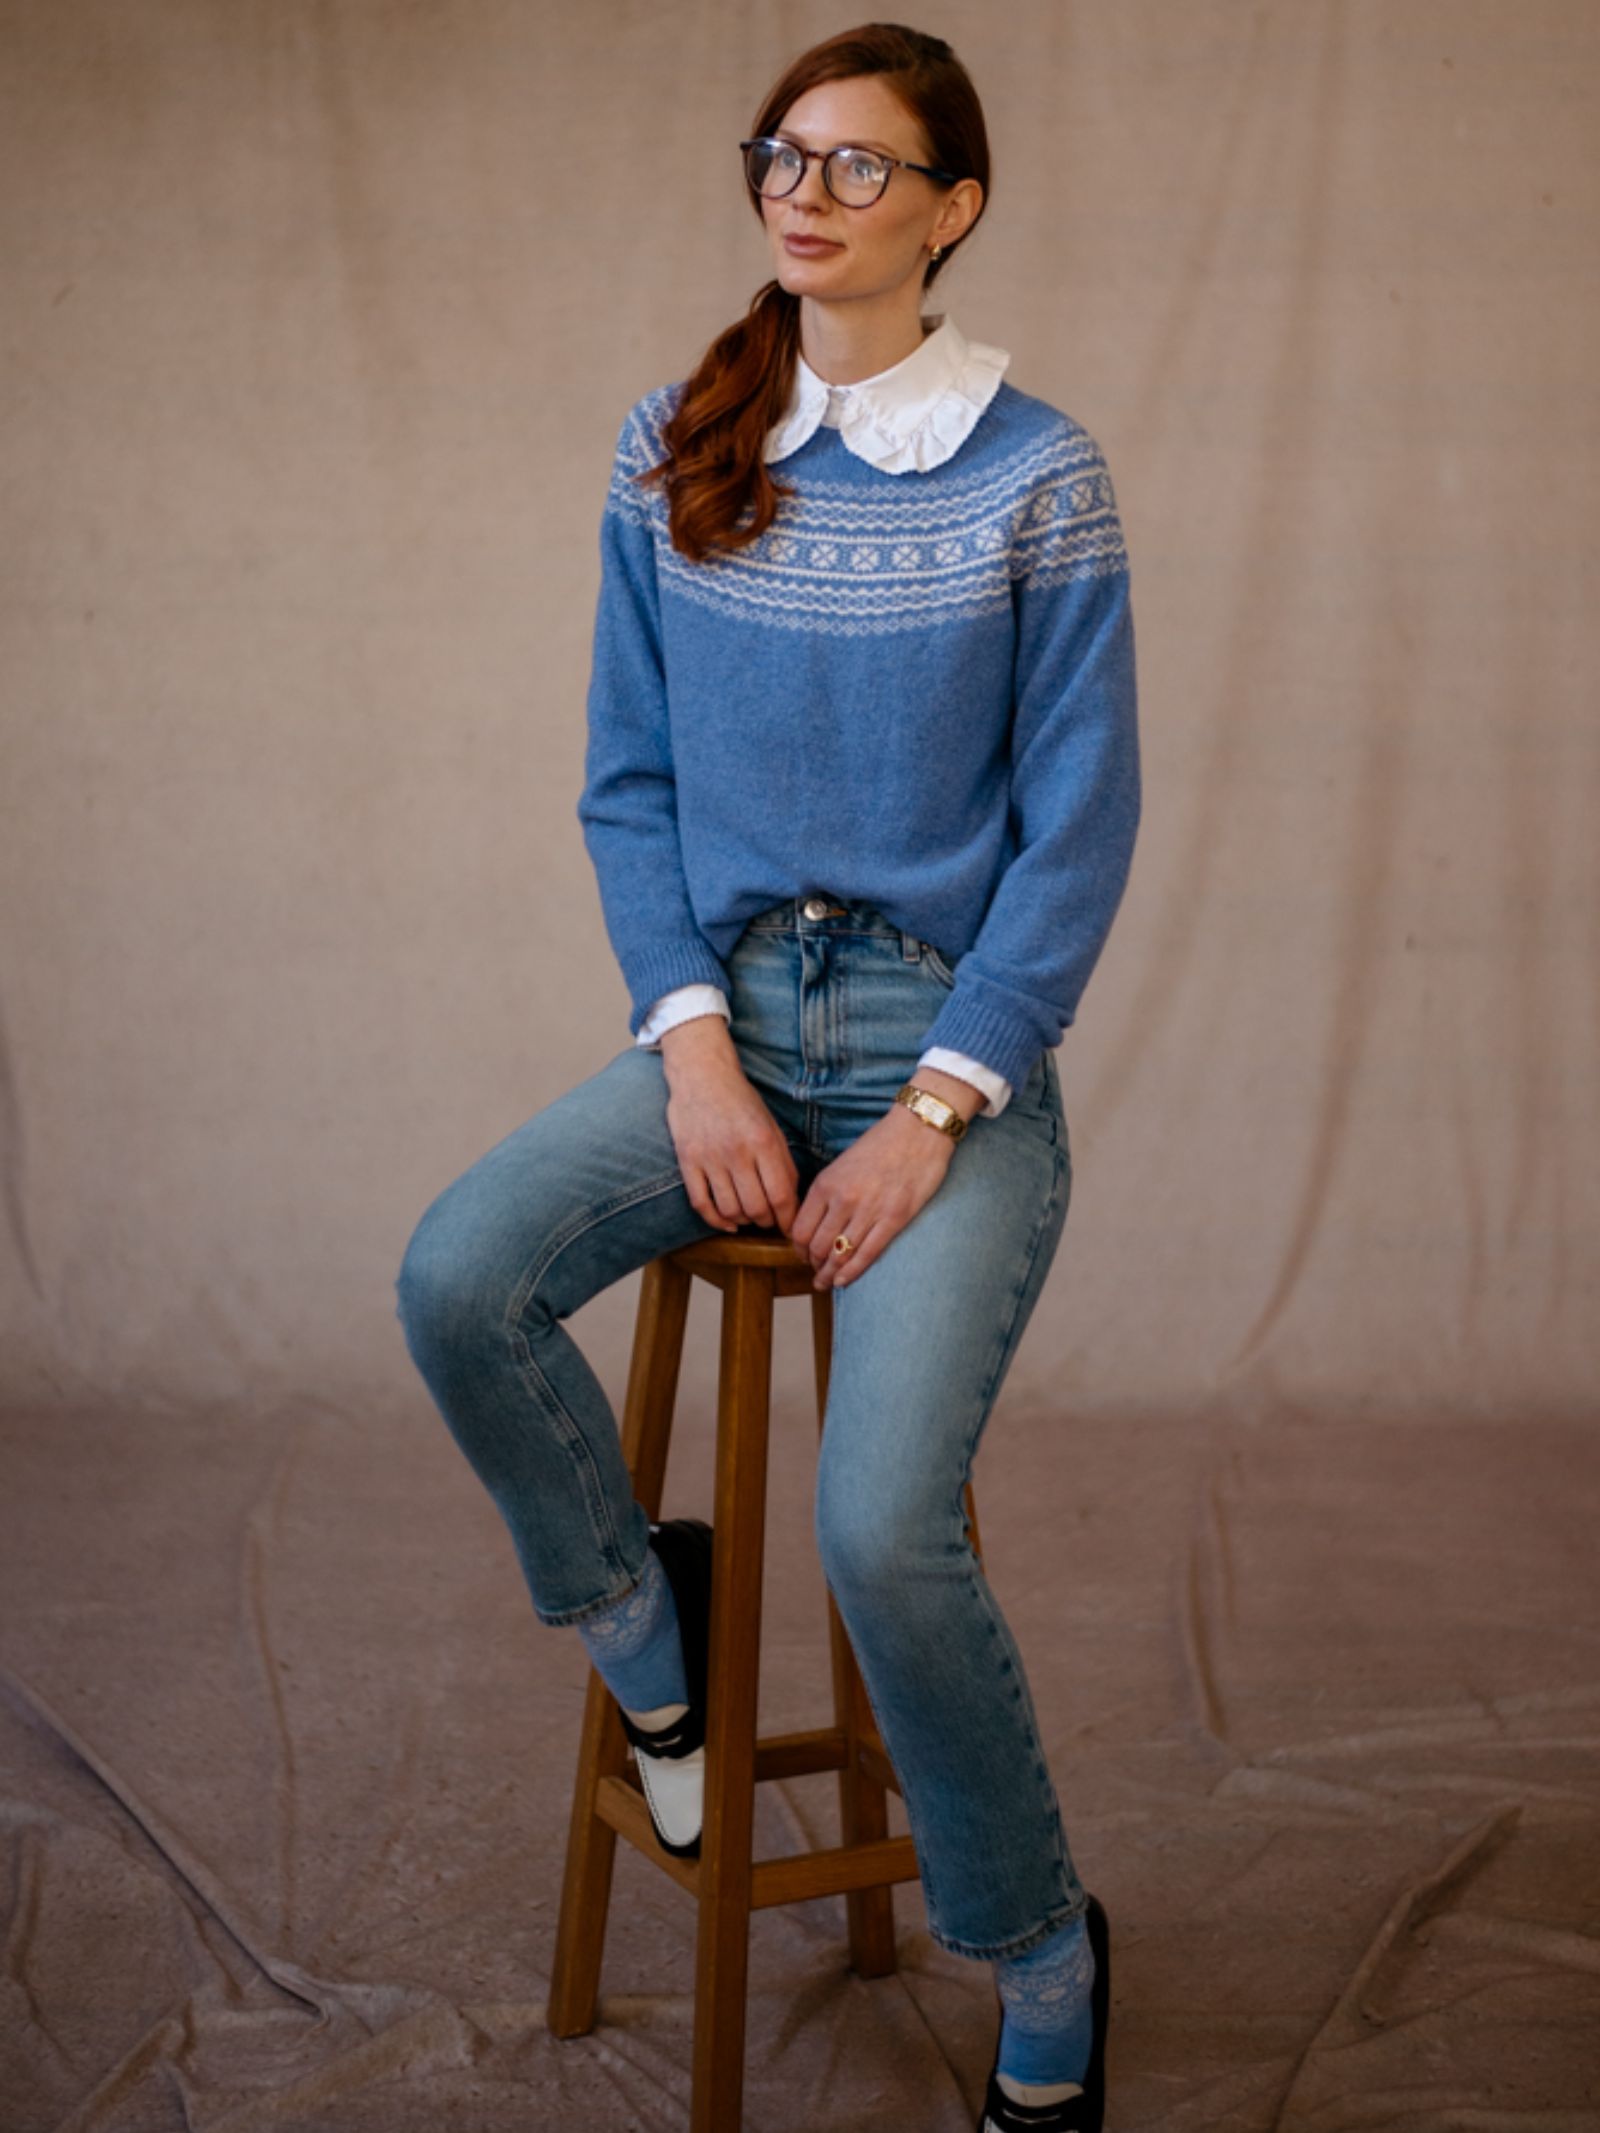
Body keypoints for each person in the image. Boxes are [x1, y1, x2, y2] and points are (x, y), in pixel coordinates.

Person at [395, 23, 1136, 2132]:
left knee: (884, 1531)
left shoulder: (1037, 475)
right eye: (777, 156)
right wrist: (699, 1054)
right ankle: (648, 1625)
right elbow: (627, 793)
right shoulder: (672, 439)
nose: (799, 192)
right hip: (727, 1021)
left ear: (950, 206)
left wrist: (928, 1112)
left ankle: (1048, 1953)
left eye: (854, 165)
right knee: (455, 1276)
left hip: (941, 1052)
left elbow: (1073, 837)